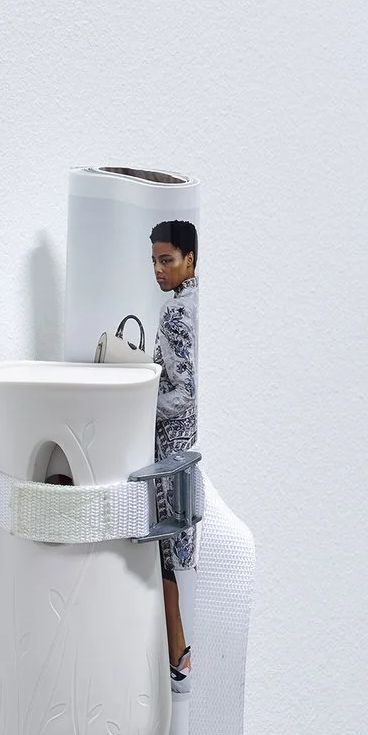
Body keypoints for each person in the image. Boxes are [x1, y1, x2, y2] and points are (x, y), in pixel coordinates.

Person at [149, 219, 198, 695]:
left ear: (190, 260)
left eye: (167, 261)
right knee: (177, 549)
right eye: (155, 262)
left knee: (172, 548)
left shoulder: (177, 314)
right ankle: (180, 654)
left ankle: (179, 655)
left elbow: (184, 394)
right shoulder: (190, 305)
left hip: (174, 445)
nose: (160, 271)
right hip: (180, 446)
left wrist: (146, 395)